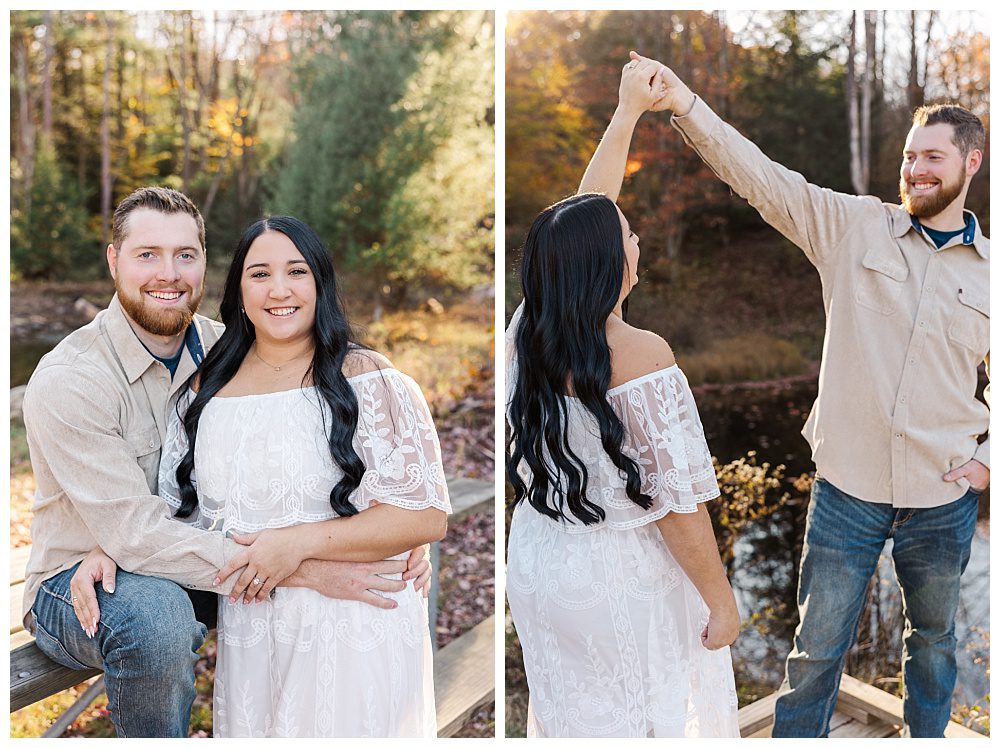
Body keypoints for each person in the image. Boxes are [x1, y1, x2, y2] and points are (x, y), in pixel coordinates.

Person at [630, 49, 990, 737]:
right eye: (910, 156)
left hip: (943, 503)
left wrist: (987, 464)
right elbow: (761, 178)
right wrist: (686, 107)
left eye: (933, 158)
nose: (915, 168)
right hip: (846, 493)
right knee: (816, 655)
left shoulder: (994, 273)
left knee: (936, 649)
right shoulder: (854, 227)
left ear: (971, 164)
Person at [22, 187, 432, 738]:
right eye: (147, 254)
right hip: (85, 579)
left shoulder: (230, 349)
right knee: (155, 619)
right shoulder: (70, 379)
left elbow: (363, 459)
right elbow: (133, 532)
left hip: (194, 556)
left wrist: (394, 527)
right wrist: (300, 567)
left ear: (207, 265)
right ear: (114, 259)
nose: (168, 273)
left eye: (185, 255)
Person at [505, 58, 740, 738]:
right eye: (629, 236)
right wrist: (721, 601)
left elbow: (582, 216)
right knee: (650, 720)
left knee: (577, 718)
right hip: (622, 574)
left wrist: (627, 110)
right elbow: (676, 505)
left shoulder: (527, 334)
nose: (635, 238)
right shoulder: (640, 353)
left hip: (545, 562)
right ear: (613, 262)